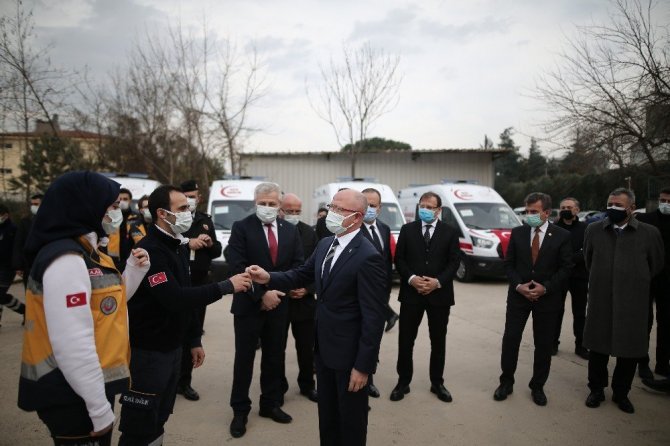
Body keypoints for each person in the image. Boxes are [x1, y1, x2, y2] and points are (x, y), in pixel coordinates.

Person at [17, 171, 150, 446]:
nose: (116, 213)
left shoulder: (90, 253)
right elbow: (72, 342)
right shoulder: (66, 259)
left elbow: (109, 307)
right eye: (112, 206)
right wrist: (98, 408)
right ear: (87, 206)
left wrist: (134, 270)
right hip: (71, 393)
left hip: (86, 386)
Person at [246, 188, 387, 446]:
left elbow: (373, 318)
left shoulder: (368, 257)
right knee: (328, 418)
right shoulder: (326, 243)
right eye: (332, 206)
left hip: (349, 357)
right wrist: (268, 277)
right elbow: (301, 274)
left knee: (351, 423)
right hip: (324, 350)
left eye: (339, 209)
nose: (332, 213)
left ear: (357, 217)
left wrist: (363, 367)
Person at [118, 185, 252, 445]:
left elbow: (186, 299)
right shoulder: (150, 250)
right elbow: (175, 298)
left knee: (160, 418)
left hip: (173, 349)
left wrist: (193, 340)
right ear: (162, 213)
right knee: (139, 425)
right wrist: (225, 286)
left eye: (188, 208)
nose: (188, 213)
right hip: (148, 353)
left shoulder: (177, 246)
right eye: (181, 208)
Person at [226, 182, 304, 439]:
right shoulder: (241, 227)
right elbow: (236, 265)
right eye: (263, 203)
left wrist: (275, 292)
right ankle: (240, 410)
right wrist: (262, 294)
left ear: (280, 205)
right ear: (255, 203)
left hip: (279, 305)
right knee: (244, 359)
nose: (267, 207)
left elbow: (297, 266)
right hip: (248, 305)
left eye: (272, 204)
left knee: (274, 356)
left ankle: (270, 404)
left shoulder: (290, 230)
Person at [583, 187, 664, 414]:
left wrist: (631, 280)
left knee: (629, 349)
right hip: (601, 299)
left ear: (631, 208)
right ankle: (596, 390)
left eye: (618, 205)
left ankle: (621, 393)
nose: (612, 208)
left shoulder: (649, 233)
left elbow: (656, 264)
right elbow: (589, 260)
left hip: (633, 301)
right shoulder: (594, 230)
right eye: (610, 204)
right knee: (597, 348)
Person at [493, 192, 573, 407]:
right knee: (511, 339)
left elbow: (566, 268)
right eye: (527, 211)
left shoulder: (562, 236)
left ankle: (537, 386)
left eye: (534, 211)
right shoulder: (518, 233)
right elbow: (508, 264)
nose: (529, 215)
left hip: (547, 299)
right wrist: (518, 285)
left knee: (543, 344)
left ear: (546, 213)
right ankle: (506, 382)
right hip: (518, 296)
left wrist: (545, 288)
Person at [390, 191, 460, 404]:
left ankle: (437, 383)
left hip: (439, 296)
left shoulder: (450, 232)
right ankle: (403, 382)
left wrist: (437, 282)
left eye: (430, 207)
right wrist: (412, 279)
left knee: (438, 341)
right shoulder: (407, 229)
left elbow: (454, 262)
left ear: (438, 210)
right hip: (411, 295)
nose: (425, 210)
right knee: (405, 340)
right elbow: (399, 259)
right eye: (422, 206)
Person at [175, 179, 223, 401]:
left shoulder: (205, 220)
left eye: (193, 196)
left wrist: (209, 243)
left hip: (199, 283)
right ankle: (170, 379)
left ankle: (185, 382)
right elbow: (166, 241)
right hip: (177, 282)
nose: (191, 200)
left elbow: (217, 251)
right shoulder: (174, 217)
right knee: (175, 331)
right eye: (187, 196)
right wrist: (188, 242)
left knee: (193, 332)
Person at [280, 193, 319, 403]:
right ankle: (278, 387)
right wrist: (285, 288)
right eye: (289, 211)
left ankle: (307, 385)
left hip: (304, 302)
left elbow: (318, 265)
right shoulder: (274, 230)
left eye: (297, 211)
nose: (293, 215)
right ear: (280, 210)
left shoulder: (309, 233)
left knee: (306, 348)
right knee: (277, 347)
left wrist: (307, 289)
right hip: (280, 300)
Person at [636, 186, 670, 379]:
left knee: (666, 323)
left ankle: (663, 364)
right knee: (644, 322)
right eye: (663, 200)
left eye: (669, 201)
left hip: (668, 281)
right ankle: (642, 363)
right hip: (647, 278)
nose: (665, 204)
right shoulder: (645, 220)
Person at [553, 197, 589, 359]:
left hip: (580, 276)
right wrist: (572, 257)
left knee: (580, 312)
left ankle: (581, 346)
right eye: (563, 207)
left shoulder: (586, 229)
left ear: (577, 210)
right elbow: (551, 251)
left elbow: (587, 251)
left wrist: (567, 258)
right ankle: (553, 343)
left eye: (569, 207)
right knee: (556, 310)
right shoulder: (553, 229)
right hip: (559, 276)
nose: (566, 210)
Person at [11, 193, 43, 288]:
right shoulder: (25, 222)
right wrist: (18, 265)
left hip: (45, 263)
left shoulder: (51, 220)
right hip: (29, 265)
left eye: (36, 204)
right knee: (30, 291)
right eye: (32, 204)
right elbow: (18, 243)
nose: (33, 206)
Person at [104, 188, 139, 271]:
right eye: (120, 199)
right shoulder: (109, 217)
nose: (122, 201)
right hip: (112, 261)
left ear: (130, 201)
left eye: (125, 199)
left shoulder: (137, 218)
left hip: (132, 260)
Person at [0, 204, 23, 324]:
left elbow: (17, 248)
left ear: (6, 215)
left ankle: (24, 310)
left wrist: (18, 265)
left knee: (0, 294)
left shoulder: (13, 229)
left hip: (8, 268)